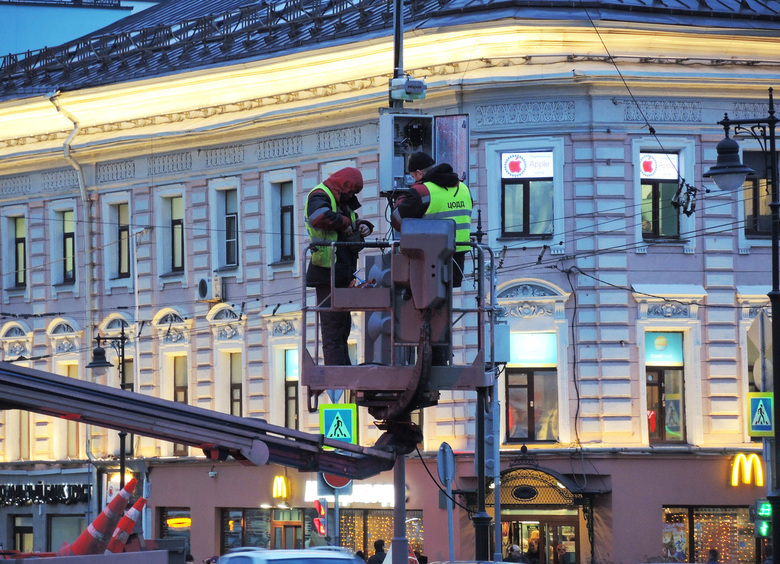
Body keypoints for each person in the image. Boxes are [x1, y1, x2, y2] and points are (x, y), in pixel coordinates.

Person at [305, 167, 373, 365]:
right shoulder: (320, 195)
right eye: (352, 191)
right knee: (333, 327)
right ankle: (337, 371)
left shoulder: (342, 201)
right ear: (344, 187)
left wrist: (361, 225)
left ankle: (342, 369)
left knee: (342, 326)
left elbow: (347, 225)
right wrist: (346, 223)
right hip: (327, 271)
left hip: (340, 270)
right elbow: (318, 216)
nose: (353, 196)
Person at [391, 151, 473, 288]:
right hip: (458, 253)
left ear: (418, 173)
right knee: (445, 297)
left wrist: (400, 201)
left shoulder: (422, 191)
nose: (414, 180)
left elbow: (398, 221)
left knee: (424, 296)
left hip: (427, 256)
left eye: (413, 177)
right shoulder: (464, 188)